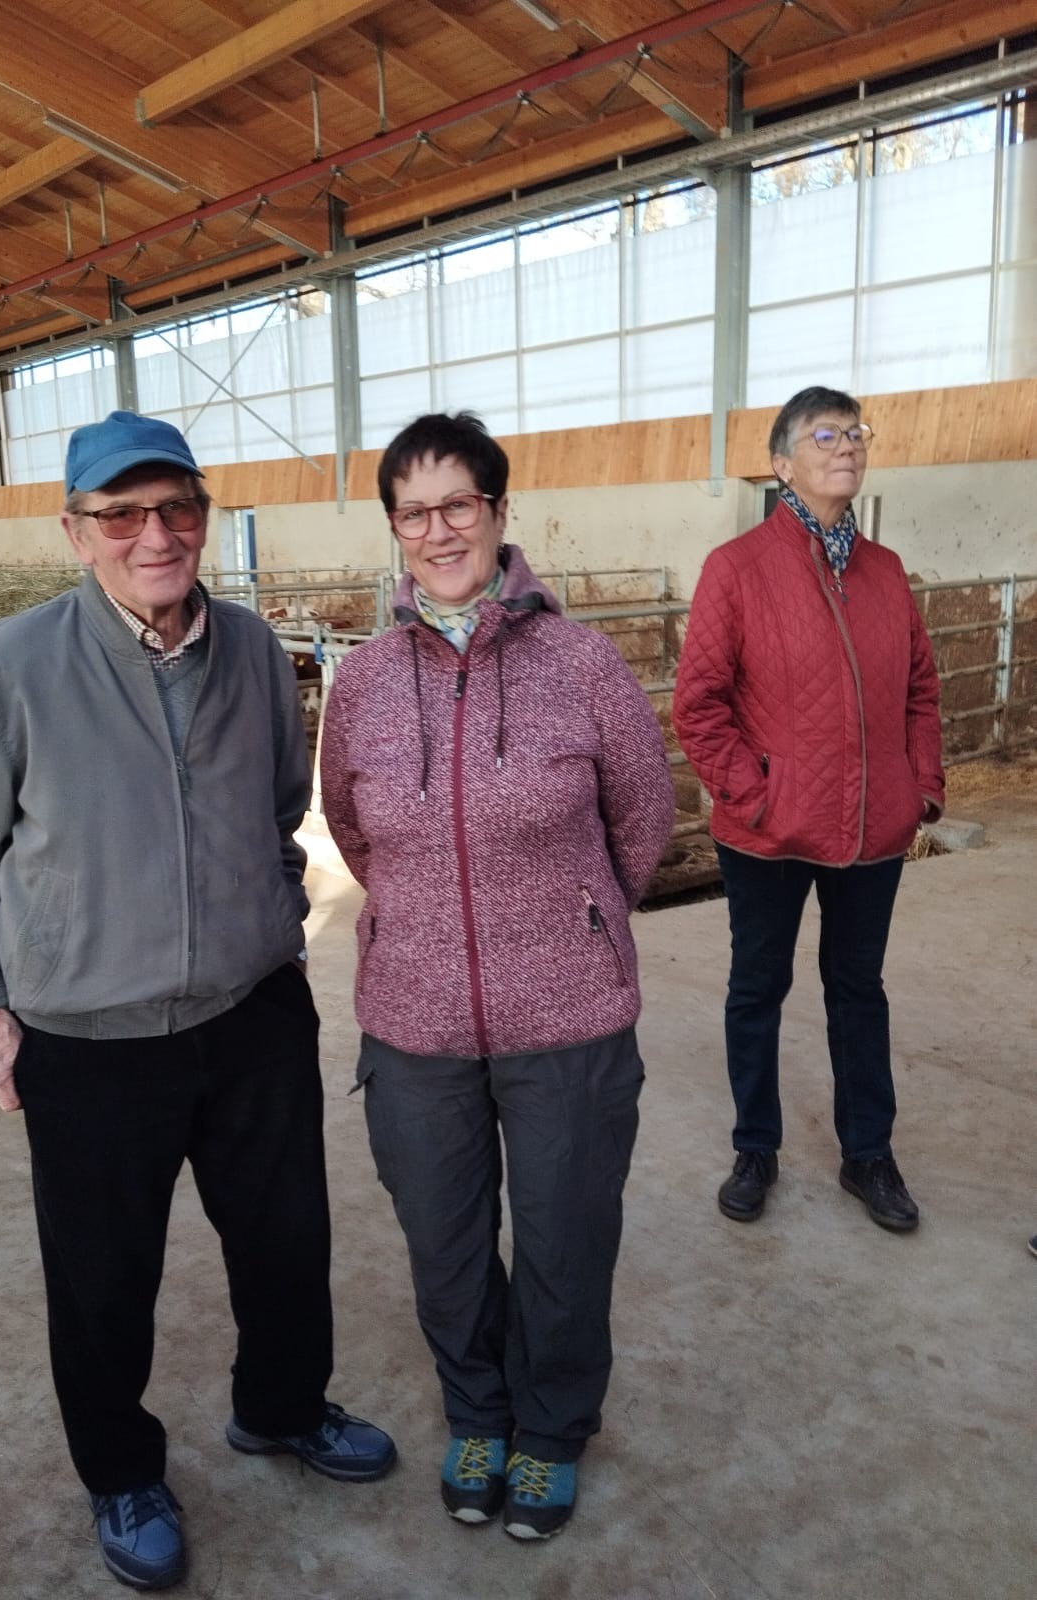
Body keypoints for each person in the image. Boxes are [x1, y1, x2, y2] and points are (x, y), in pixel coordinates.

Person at [0, 411, 394, 1592]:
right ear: (75, 532)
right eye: (122, 514)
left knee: (287, 1243)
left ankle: (282, 1407)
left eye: (176, 508)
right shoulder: (12, 666)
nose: (155, 535)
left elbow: (281, 810)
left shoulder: (252, 649)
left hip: (250, 1014)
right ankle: (122, 1471)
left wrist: (273, 930)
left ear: (204, 517)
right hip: (88, 1037)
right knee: (102, 1278)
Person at [320, 412, 675, 1541]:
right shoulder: (365, 681)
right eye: (413, 513)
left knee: (567, 1236)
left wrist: (576, 920)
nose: (438, 531)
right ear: (394, 529)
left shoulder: (583, 664)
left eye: (458, 505)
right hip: (414, 1019)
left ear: (499, 512)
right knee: (444, 1238)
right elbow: (352, 831)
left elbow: (644, 818)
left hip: (568, 1015)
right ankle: (478, 1413)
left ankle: (552, 1429)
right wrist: (419, 923)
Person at [672, 385, 944, 1235]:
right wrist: (755, 794)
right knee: (758, 986)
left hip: (872, 827)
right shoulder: (737, 568)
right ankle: (756, 1147)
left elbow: (922, 689)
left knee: (858, 989)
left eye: (855, 433)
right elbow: (698, 704)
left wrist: (920, 785)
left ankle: (869, 1153)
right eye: (825, 435)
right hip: (768, 831)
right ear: (782, 463)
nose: (848, 445)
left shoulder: (885, 571)